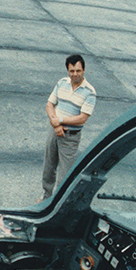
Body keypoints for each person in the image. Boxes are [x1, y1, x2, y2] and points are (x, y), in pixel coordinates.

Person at [41, 54, 96, 200]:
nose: (75, 74)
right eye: (72, 71)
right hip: (54, 130)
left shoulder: (90, 92)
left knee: (65, 174)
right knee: (49, 167)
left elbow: (82, 118)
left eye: (78, 71)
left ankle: (57, 203)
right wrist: (55, 123)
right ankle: (46, 197)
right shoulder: (62, 83)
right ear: (67, 70)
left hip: (70, 136)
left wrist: (59, 120)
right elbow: (49, 105)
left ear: (84, 70)